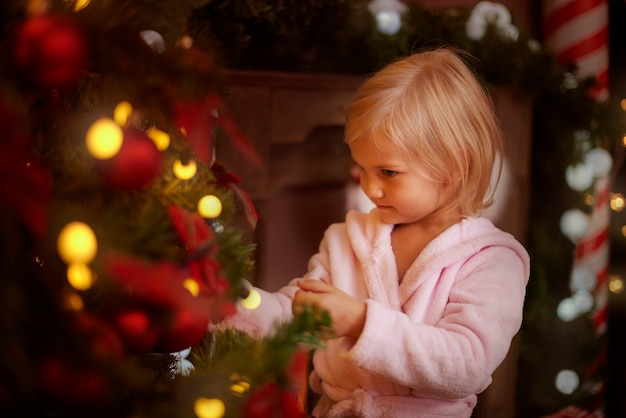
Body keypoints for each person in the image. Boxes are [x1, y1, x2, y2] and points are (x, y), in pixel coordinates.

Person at [225, 47, 530, 418]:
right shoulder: (345, 240)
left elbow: (467, 365)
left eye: (387, 172)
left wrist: (360, 323)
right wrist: (229, 301)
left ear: (455, 164)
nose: (370, 188)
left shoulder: (492, 261)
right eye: (361, 168)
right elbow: (295, 315)